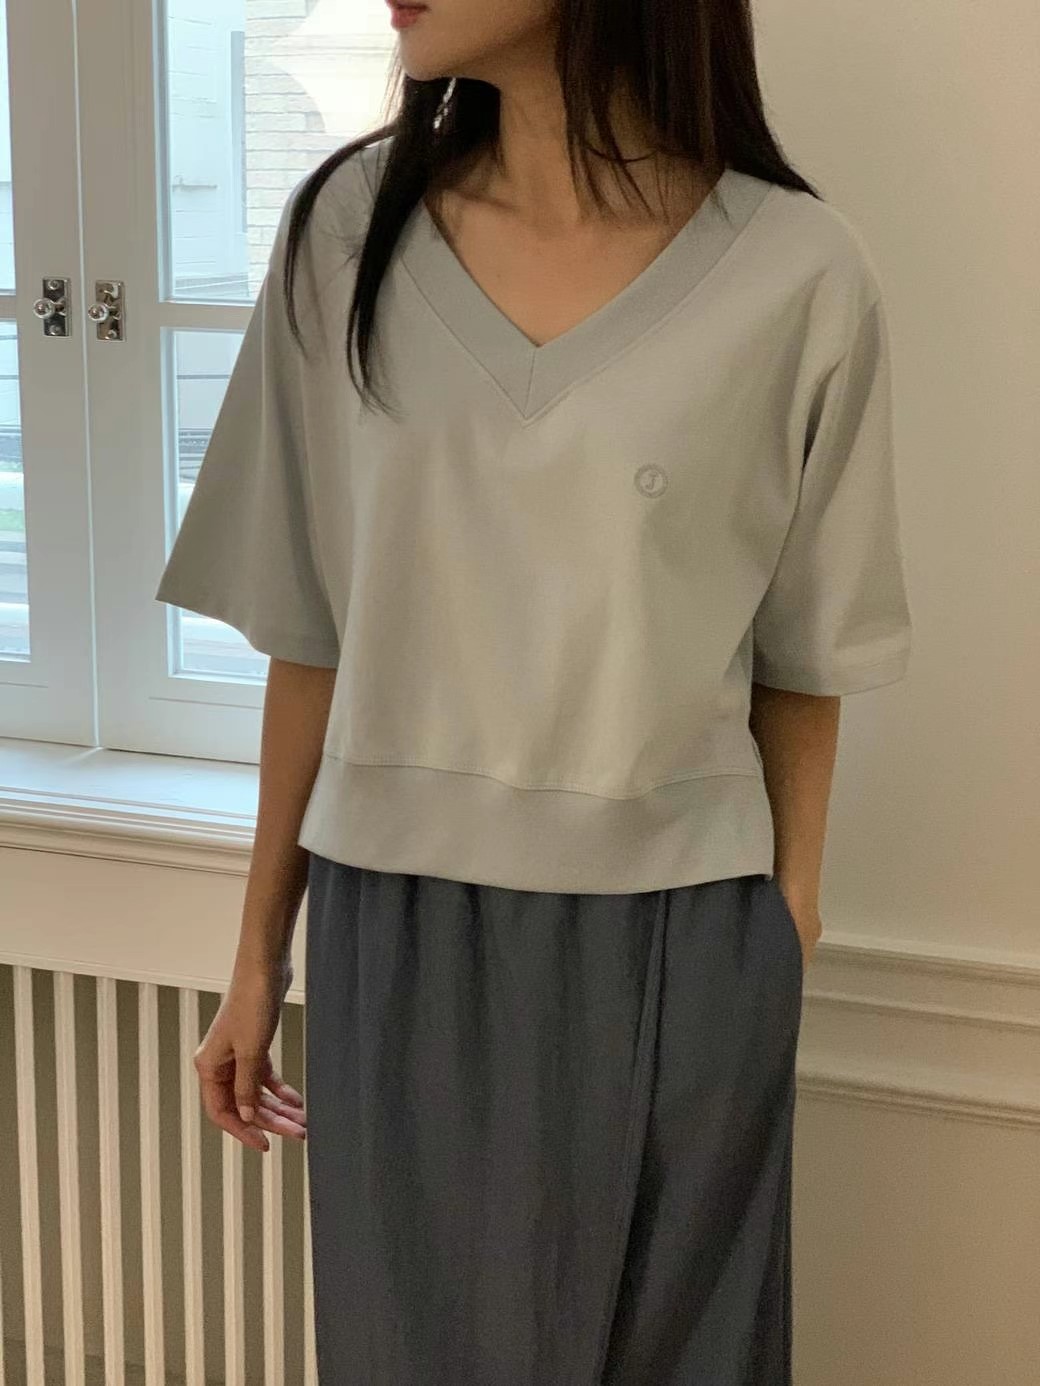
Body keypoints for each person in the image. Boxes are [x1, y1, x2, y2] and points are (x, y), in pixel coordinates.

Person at [155, 1, 913, 1381]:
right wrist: (257, 959)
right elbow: (311, 632)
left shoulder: (799, 273)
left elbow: (806, 660)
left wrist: (784, 929)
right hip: (397, 934)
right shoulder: (346, 236)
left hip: (682, 934)